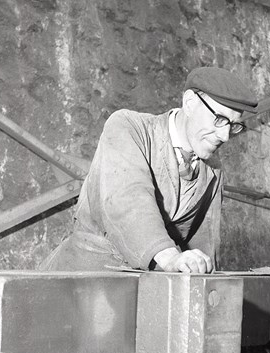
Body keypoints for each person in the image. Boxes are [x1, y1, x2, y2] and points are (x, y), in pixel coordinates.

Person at [41, 66, 258, 273]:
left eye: (234, 125)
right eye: (219, 119)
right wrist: (170, 258)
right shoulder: (129, 127)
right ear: (190, 103)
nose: (225, 135)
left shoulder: (211, 170)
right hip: (82, 279)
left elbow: (203, 243)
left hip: (146, 284)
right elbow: (128, 199)